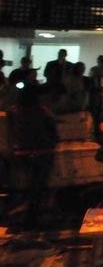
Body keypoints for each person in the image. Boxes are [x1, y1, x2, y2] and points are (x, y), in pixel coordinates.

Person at [10, 85, 59, 229]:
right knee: (38, 187)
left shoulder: (14, 112)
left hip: (22, 154)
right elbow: (52, 131)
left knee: (28, 188)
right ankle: (32, 218)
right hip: (42, 152)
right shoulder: (43, 111)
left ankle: (27, 216)